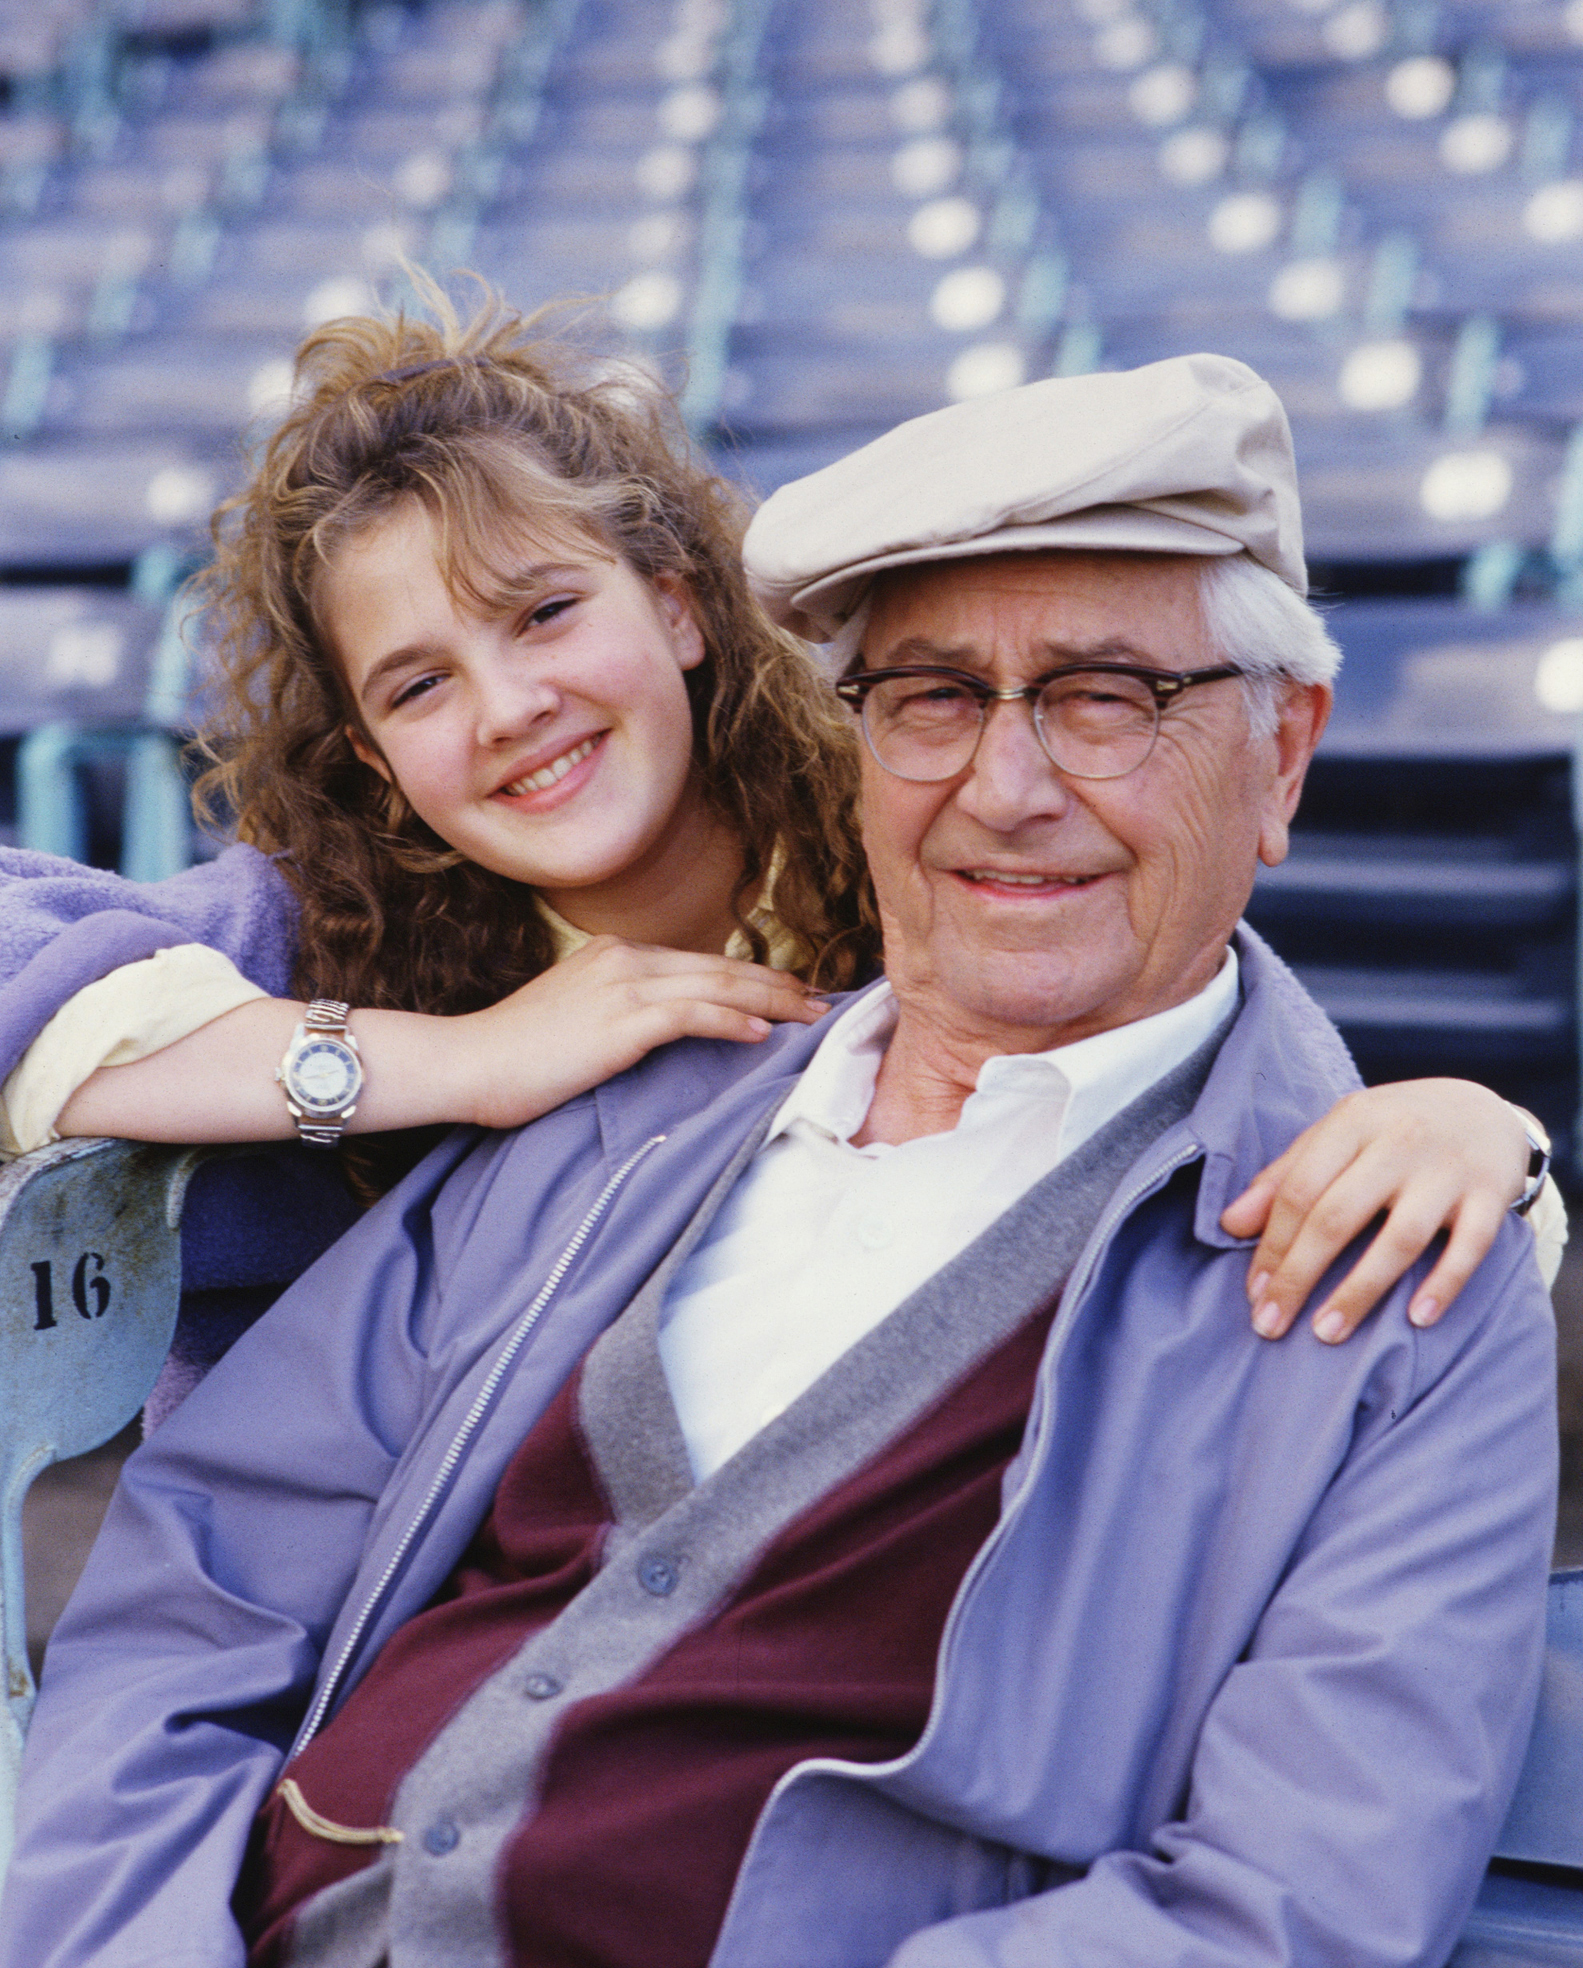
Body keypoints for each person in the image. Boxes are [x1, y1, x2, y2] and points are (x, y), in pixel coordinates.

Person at [2, 353, 1556, 1968]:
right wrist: (456, 1061)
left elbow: (1279, 1906)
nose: (1006, 789)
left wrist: (1484, 1133)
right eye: (936, 699)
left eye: (1106, 698)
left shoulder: (1362, 1256)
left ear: (1282, 755)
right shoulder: (526, 1061)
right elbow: (200, 1590)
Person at [0, 297, 1562, 1389]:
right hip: (374, 1622)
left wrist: (1480, 1136)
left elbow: (1214, 1061)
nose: (508, 708)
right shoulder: (334, 931)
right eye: (419, 685)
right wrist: (451, 1062)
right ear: (376, 762)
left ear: (679, 601)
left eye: (546, 612)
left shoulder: (920, 842)